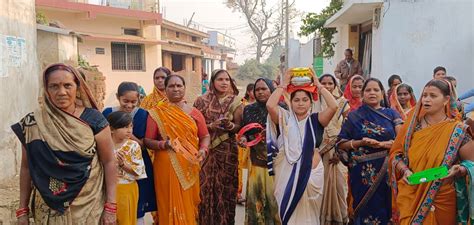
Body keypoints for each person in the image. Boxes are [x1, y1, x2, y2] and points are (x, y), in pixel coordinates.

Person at [12, 63, 117, 225]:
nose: (61, 92)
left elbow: (109, 161)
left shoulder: (94, 120)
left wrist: (111, 206)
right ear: (46, 89)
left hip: (88, 204)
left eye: (67, 85)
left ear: (78, 88)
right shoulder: (33, 123)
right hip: (47, 207)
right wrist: (22, 210)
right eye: (54, 86)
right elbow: (26, 167)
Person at [389, 79, 474, 224]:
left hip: (442, 196)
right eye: (424, 95)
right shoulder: (412, 128)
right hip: (411, 192)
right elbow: (396, 155)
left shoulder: (458, 131)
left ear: (446, 100)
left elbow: (471, 164)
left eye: (433, 96)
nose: (427, 99)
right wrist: (404, 170)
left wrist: (460, 169)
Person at [266, 70, 338, 225]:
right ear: (290, 102)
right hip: (287, 173)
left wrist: (319, 86)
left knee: (310, 216)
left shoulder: (316, 120)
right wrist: (283, 85)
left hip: (311, 173)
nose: (300, 103)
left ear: (310, 102)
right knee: (289, 215)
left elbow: (333, 106)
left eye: (305, 99)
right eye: (296, 99)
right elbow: (270, 105)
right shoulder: (284, 118)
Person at [145, 74, 210, 225]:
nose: (175, 89)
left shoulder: (194, 113)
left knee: (188, 202)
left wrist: (204, 149)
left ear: (184, 88)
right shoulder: (156, 112)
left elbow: (205, 136)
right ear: (165, 90)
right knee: (167, 203)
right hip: (165, 166)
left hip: (190, 164)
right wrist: (164, 145)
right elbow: (147, 140)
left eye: (179, 86)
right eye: (171, 86)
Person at [337, 78, 403, 225]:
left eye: (376, 90)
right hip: (362, 174)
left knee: (386, 207)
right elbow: (341, 144)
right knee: (363, 209)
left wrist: (383, 144)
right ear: (362, 93)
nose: (372, 93)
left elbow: (402, 142)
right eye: (368, 90)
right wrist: (360, 142)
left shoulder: (392, 114)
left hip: (387, 170)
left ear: (382, 93)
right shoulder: (354, 116)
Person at [193, 69, 243, 225]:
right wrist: (210, 126)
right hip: (205, 151)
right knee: (204, 188)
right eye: (220, 79)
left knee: (226, 189)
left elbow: (239, 127)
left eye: (227, 80)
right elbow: (193, 126)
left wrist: (230, 125)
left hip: (227, 152)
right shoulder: (200, 101)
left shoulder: (236, 101)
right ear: (213, 82)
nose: (224, 82)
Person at [102, 82, 156, 224]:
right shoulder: (107, 113)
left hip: (135, 161)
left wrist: (128, 135)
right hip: (110, 160)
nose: (129, 105)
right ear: (118, 97)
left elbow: (145, 143)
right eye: (125, 101)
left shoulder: (143, 114)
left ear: (139, 99)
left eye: (134, 102)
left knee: (136, 208)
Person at [240, 78, 282, 225]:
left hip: (277, 164)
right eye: (257, 89)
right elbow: (244, 130)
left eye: (264, 88)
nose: (260, 92)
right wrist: (244, 139)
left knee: (274, 201)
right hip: (256, 162)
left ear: (271, 89)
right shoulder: (248, 109)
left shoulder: (281, 108)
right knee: (256, 200)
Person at [315, 74, 350, 225]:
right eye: (324, 83)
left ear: (335, 85)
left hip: (338, 151)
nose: (328, 86)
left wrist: (340, 151)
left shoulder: (342, 103)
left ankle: (339, 219)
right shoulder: (313, 103)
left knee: (340, 188)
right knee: (319, 188)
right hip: (318, 152)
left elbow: (349, 128)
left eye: (330, 83)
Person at [107, 111, 146, 225]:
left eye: (131, 126)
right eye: (124, 127)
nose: (129, 130)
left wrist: (123, 164)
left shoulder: (133, 146)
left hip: (127, 190)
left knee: (125, 220)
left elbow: (138, 171)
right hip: (107, 189)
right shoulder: (104, 145)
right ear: (112, 129)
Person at [237, 82, 257, 204]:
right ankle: (238, 193)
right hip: (242, 140)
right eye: (254, 90)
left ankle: (252, 194)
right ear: (249, 91)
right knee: (239, 166)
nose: (257, 93)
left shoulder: (261, 106)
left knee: (252, 168)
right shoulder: (243, 105)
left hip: (256, 144)